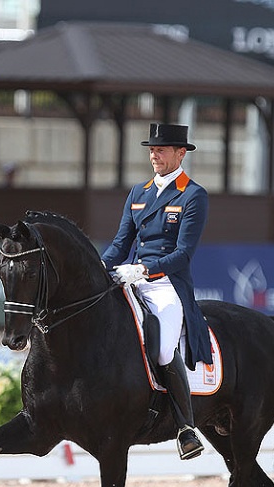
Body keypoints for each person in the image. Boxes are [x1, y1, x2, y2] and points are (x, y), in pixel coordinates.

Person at [101, 123, 212, 461]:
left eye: (161, 150)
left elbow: (184, 254)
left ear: (181, 154)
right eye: (151, 149)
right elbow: (121, 244)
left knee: (163, 348)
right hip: (130, 278)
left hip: (166, 284)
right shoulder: (139, 193)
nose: (154, 155)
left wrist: (146, 269)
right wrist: (98, 270)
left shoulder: (192, 194)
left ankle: (185, 427)